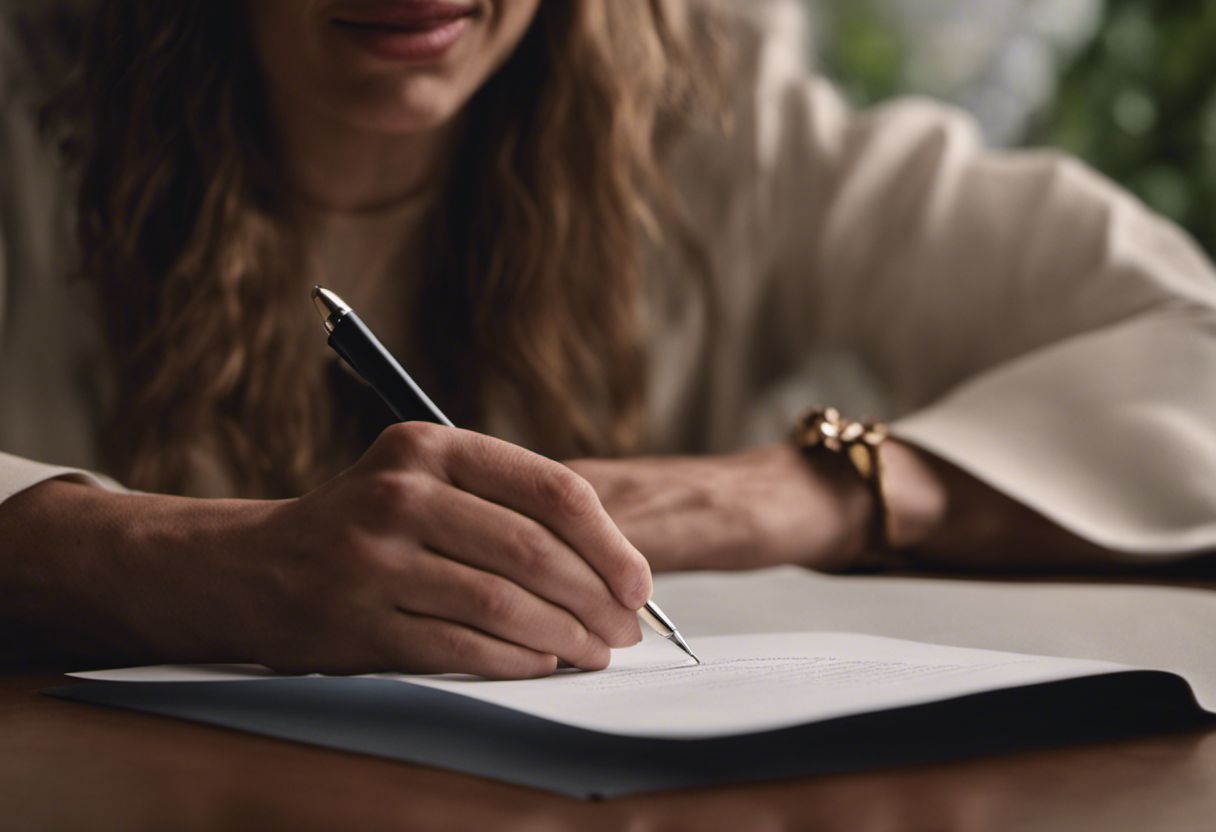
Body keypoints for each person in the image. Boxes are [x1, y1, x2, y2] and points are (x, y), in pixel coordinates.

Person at [1, 0, 1213, 677]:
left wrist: (818, 490)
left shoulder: (707, 116)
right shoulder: (29, 104)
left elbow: (1190, 338)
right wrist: (178, 563)